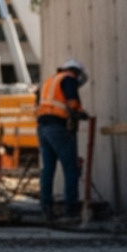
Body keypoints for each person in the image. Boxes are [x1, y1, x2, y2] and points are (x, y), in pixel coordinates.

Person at [36, 58, 88, 221]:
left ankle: (46, 208)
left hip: (43, 127)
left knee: (48, 169)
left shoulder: (49, 81)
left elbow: (39, 102)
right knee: (71, 167)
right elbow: (72, 103)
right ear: (76, 72)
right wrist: (82, 113)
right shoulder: (68, 79)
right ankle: (71, 208)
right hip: (58, 127)